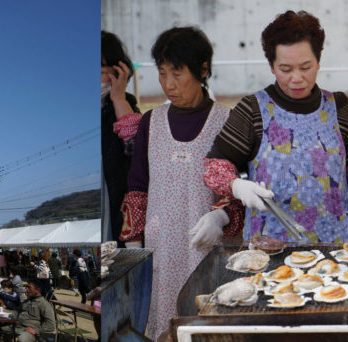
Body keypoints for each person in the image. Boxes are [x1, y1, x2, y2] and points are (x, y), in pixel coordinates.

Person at [194, 11, 348, 249]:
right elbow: (214, 166)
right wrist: (236, 185)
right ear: (272, 66)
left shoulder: (340, 107)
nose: (297, 78)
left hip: (336, 246)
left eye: (306, 67)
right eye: (285, 69)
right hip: (270, 249)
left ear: (318, 60)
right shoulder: (252, 110)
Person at [108, 26, 237, 339]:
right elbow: (137, 187)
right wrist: (133, 249)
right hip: (160, 251)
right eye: (162, 74)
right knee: (161, 326)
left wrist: (221, 217)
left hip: (207, 249)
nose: (168, 84)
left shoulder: (227, 121)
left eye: (177, 74)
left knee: (207, 324)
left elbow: (237, 191)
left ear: (202, 70)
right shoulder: (151, 122)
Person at [102, 30, 143, 246]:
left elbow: (137, 148)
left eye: (99, 72)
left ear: (119, 72)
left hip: (117, 210)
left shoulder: (124, 105)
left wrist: (118, 98)